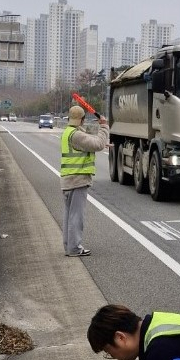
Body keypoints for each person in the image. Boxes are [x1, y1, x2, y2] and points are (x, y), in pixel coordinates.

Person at [60, 104, 109, 257]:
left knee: (69, 215)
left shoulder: (68, 132)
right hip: (78, 179)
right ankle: (74, 248)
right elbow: (97, 144)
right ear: (81, 120)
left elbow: (87, 142)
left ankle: (69, 246)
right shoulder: (77, 135)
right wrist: (104, 127)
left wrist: (100, 141)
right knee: (77, 216)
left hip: (69, 180)